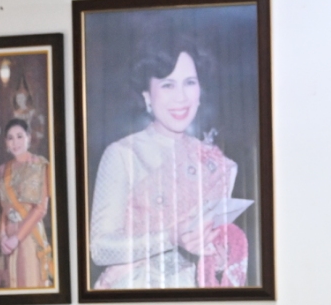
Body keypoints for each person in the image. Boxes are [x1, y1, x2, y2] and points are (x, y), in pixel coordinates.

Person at [86, 43, 251, 290]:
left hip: (197, 295)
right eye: (167, 85)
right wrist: (170, 237)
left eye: (190, 83)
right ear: (147, 96)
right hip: (136, 291)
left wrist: (217, 254)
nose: (181, 97)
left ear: (200, 91)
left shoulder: (213, 162)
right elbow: (100, 249)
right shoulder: (123, 155)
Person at [0, 117, 55, 289]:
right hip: (8, 241)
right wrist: (2, 236)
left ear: (28, 137)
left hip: (29, 236)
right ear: (6, 142)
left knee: (30, 284)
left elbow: (41, 209)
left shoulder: (40, 165)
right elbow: (3, 208)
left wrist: (17, 238)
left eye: (19, 136)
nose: (15, 142)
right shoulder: (3, 169)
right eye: (10, 138)